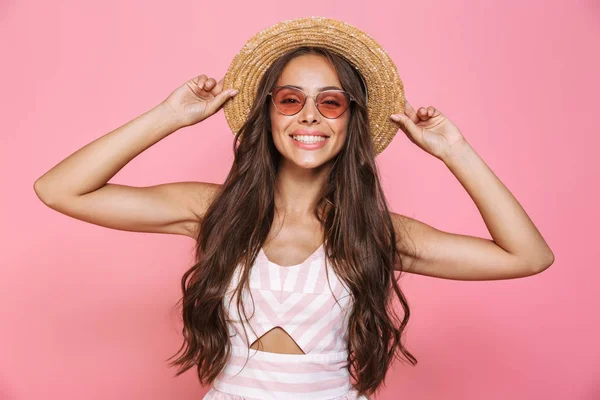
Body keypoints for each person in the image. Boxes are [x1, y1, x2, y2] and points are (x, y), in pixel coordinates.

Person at [33, 17, 554, 400]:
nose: (310, 116)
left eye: (330, 102)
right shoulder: (213, 210)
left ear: (350, 120)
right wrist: (170, 116)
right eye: (290, 100)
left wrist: (454, 150)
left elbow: (527, 256)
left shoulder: (373, 231)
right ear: (269, 113)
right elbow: (60, 189)